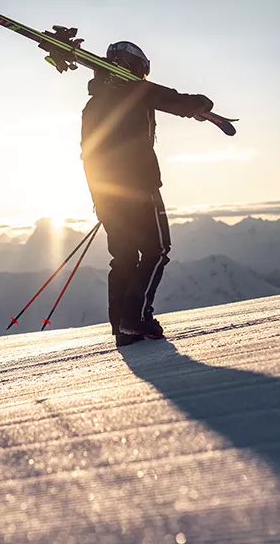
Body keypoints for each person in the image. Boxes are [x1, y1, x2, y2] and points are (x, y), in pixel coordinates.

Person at [81, 41, 214, 346]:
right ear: (135, 66)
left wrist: (100, 200)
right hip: (140, 188)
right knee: (157, 250)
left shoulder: (95, 103)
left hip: (105, 193)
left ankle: (122, 329)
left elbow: (88, 154)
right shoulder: (133, 91)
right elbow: (174, 100)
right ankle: (136, 319)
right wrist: (202, 104)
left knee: (124, 256)